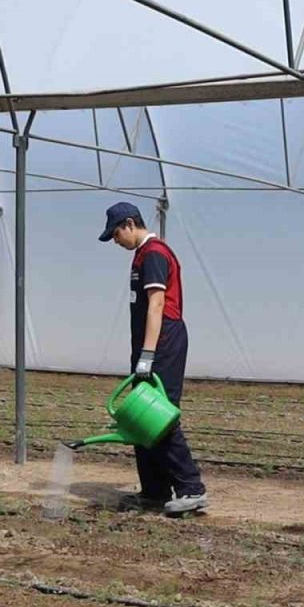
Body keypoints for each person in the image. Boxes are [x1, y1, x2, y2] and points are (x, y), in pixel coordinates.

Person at [98, 201, 208, 515]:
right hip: (150, 345)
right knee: (140, 418)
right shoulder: (142, 255)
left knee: (158, 416)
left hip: (164, 342)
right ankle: (155, 491)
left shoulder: (156, 253)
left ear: (130, 224)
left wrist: (147, 354)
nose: (116, 241)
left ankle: (191, 488)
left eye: (116, 234)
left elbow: (157, 306)